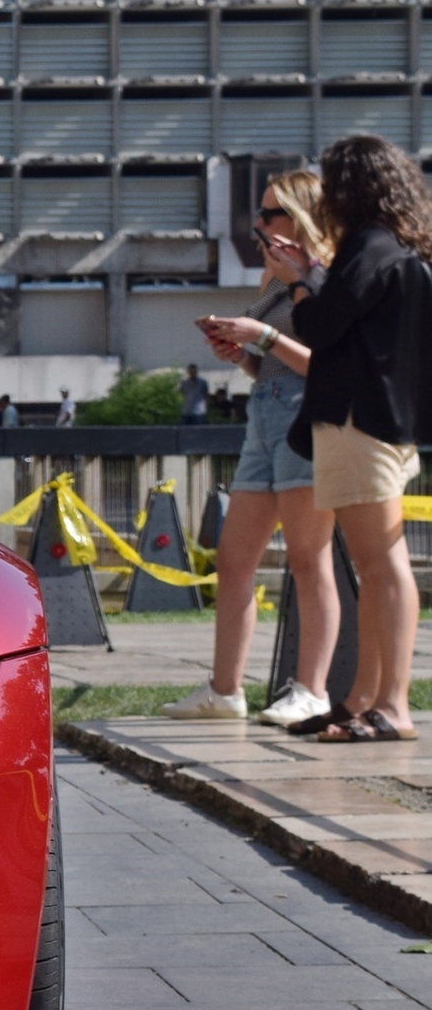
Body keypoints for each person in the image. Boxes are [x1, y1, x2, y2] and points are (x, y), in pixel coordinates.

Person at [166, 170, 339, 726]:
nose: (259, 224)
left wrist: (260, 336)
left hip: (306, 414)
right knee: (235, 560)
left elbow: (331, 365)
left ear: (300, 214)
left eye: (270, 214)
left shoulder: (326, 274)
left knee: (309, 561)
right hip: (264, 412)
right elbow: (268, 357)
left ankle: (312, 689)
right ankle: (225, 690)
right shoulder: (276, 275)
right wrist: (237, 350)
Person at [288, 134, 432, 743]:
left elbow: (321, 323)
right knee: (375, 567)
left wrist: (300, 279)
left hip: (360, 418)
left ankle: (392, 704)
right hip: (385, 419)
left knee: (381, 565)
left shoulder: (369, 245)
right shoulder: (400, 244)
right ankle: (362, 698)